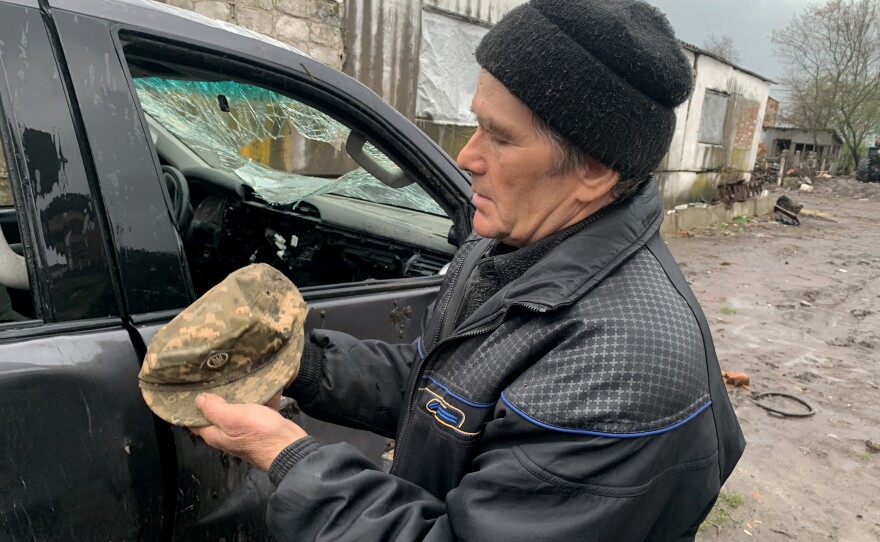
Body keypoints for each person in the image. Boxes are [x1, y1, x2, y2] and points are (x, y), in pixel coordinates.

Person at [191, 0, 746, 539]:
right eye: (475, 124)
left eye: (500, 137)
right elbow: (441, 392)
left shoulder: (617, 377)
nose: (467, 157)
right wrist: (303, 366)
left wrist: (284, 454)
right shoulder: (508, 247)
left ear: (594, 173)